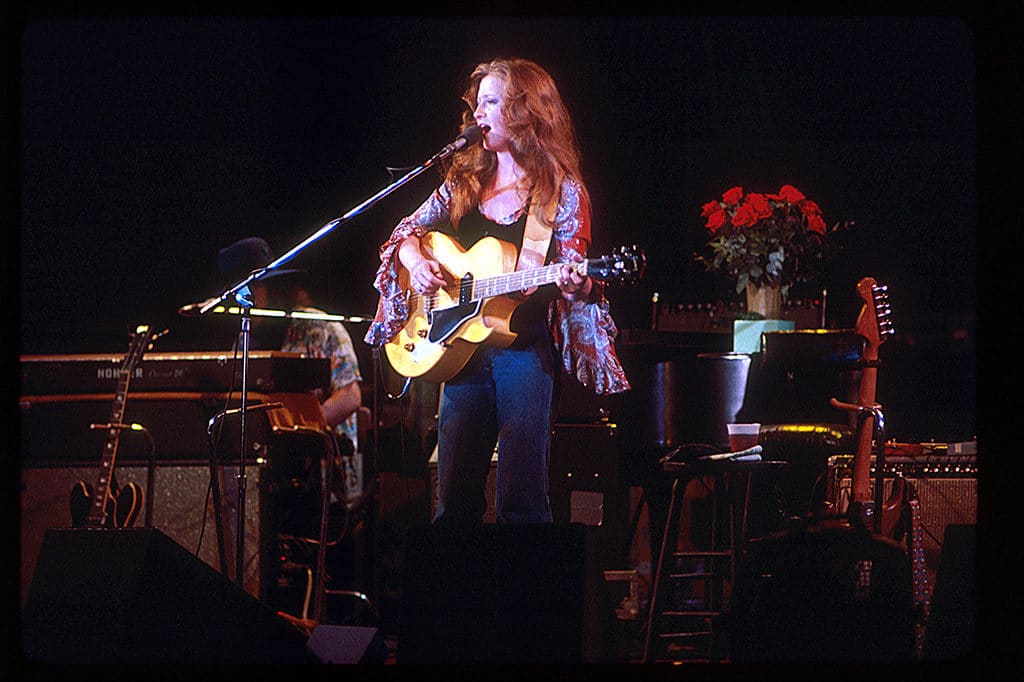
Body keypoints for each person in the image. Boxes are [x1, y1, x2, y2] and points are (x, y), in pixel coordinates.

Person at [365, 58, 630, 525]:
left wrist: (578, 284)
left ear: (525, 111)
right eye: (478, 102)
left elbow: (575, 280)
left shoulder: (561, 191)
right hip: (459, 352)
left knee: (520, 501)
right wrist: (417, 262)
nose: (478, 114)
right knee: (453, 504)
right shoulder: (463, 181)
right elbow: (405, 232)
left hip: (523, 354)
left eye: (491, 102)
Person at [216, 236, 365, 508]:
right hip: (266, 475)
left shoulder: (320, 328)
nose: (245, 299)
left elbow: (350, 395)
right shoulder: (244, 341)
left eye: (254, 288)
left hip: (324, 477)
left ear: (273, 288)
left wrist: (299, 434)